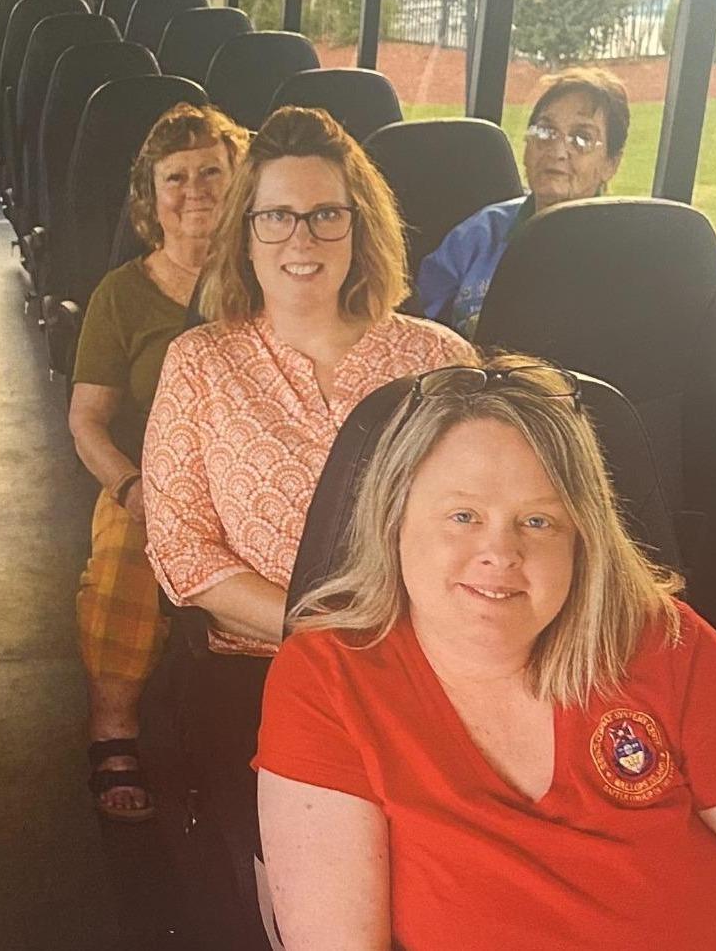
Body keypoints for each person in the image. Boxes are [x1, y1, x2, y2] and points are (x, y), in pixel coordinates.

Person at [256, 355, 716, 949]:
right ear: (393, 523)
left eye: (538, 522)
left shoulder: (662, 642)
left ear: (582, 538)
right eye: (463, 516)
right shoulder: (330, 680)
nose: (499, 552)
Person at [138, 106, 472, 942]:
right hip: (259, 672)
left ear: (359, 228)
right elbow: (180, 549)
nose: (303, 237)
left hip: (436, 666)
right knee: (318, 894)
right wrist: (331, 636)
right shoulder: (201, 363)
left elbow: (477, 521)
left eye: (326, 214)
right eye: (277, 216)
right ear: (245, 236)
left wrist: (408, 646)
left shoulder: (437, 362)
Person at [68, 102, 247, 822]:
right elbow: (86, 421)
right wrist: (131, 486)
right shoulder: (122, 295)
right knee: (123, 560)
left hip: (251, 474)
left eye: (212, 172)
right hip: (149, 482)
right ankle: (113, 727)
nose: (195, 189)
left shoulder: (267, 280)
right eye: (176, 177)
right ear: (150, 197)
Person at [415, 67, 629, 338]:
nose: (557, 150)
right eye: (546, 131)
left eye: (582, 138)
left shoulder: (626, 253)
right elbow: (418, 322)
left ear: (611, 164)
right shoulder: (478, 234)